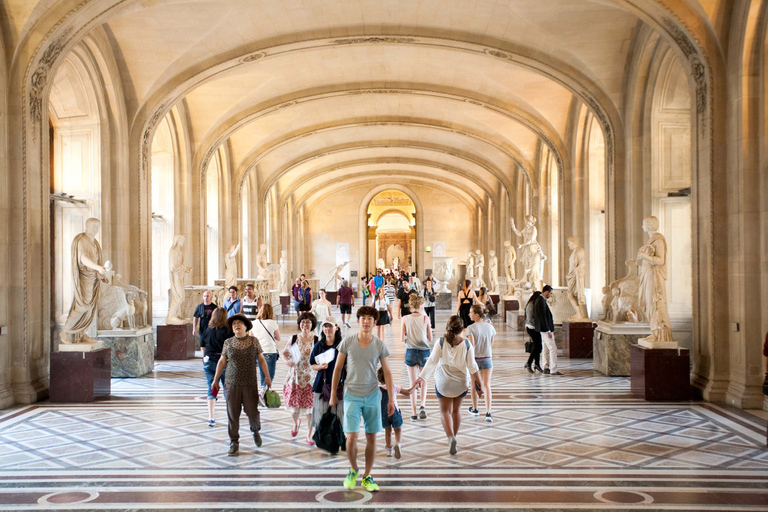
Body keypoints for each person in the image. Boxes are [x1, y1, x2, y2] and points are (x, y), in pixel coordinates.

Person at [329, 306, 395, 492]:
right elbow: (337, 368)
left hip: (373, 395)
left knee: (371, 437)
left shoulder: (379, 345)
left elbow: (387, 372)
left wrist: (390, 398)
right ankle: (353, 469)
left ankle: (367, 475)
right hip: (351, 395)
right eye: (363, 318)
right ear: (358, 321)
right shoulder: (348, 342)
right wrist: (333, 394)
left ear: (375, 323)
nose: (366, 321)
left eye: (370, 319)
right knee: (351, 437)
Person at [412, 315, 483, 455]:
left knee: (445, 412)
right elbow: (473, 367)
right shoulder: (467, 344)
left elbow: (432, 362)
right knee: (456, 411)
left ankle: (450, 437)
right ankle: (454, 437)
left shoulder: (441, 342)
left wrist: (421, 377)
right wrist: (479, 386)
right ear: (462, 329)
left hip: (443, 381)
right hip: (461, 382)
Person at [211, 313, 273, 456]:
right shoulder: (228, 342)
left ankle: (255, 430)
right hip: (231, 383)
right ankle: (234, 442)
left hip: (249, 383)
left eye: (239, 323)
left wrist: (267, 376)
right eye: (234, 324)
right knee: (232, 413)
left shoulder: (253, 341)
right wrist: (215, 379)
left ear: (246, 326)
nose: (236, 326)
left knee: (252, 411)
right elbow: (222, 361)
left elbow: (262, 360)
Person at [282, 312, 317, 445]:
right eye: (303, 322)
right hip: (295, 377)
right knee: (294, 407)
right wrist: (287, 362)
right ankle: (296, 423)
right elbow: (285, 354)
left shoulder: (317, 339)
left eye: (308, 322)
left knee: (310, 408)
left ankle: (310, 434)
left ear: (312, 324)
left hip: (311, 378)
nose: (305, 324)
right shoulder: (294, 338)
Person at [309, 317, 346, 444]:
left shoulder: (342, 345)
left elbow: (348, 365)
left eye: (330, 326)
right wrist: (320, 366)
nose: (327, 329)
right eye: (325, 326)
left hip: (340, 385)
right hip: (322, 384)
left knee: (338, 413)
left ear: (336, 328)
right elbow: (312, 364)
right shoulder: (319, 345)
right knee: (320, 412)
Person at [400, 294, 432, 421]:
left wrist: (410, 337)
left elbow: (402, 338)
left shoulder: (405, 318)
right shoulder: (425, 318)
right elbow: (430, 338)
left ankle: (413, 413)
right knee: (423, 380)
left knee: (412, 383)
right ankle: (422, 406)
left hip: (411, 352)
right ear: (419, 305)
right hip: (424, 352)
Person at [200, 307, 232, 426]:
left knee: (211, 387)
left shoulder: (207, 330)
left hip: (209, 361)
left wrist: (205, 360)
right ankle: (230, 414)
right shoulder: (228, 331)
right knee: (227, 387)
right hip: (223, 362)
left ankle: (211, 417)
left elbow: (202, 347)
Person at [466, 305, 496, 422]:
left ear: (477, 315)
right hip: (487, 357)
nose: (469, 314)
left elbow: (471, 346)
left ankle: (475, 408)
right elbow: (491, 343)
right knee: (487, 385)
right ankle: (488, 412)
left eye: (471, 312)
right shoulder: (490, 327)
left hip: (475, 359)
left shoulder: (471, 328)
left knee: (474, 385)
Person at [377, 366, 413, 459]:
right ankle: (398, 443)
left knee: (387, 431)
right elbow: (408, 392)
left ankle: (389, 450)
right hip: (395, 412)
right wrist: (415, 385)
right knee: (398, 429)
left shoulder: (378, 390)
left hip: (384, 414)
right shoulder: (394, 387)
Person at [252, 303, 281, 388]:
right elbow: (278, 338)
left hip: (258, 352)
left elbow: (251, 338)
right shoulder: (273, 323)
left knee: (262, 375)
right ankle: (264, 396)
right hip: (270, 351)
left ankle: (263, 394)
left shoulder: (253, 323)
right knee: (269, 376)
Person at [536, 285, 562, 375]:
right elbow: (543, 317)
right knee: (553, 348)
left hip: (542, 329)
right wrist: (548, 331)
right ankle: (553, 369)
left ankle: (545, 367)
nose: (550, 295)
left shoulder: (541, 300)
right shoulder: (541, 301)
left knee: (546, 349)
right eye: (550, 293)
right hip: (545, 329)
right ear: (546, 292)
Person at [523, 291, 543, 373]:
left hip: (535, 328)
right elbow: (531, 319)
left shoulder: (534, 304)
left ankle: (537, 364)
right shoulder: (531, 305)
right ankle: (529, 363)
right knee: (537, 346)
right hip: (532, 328)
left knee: (537, 346)